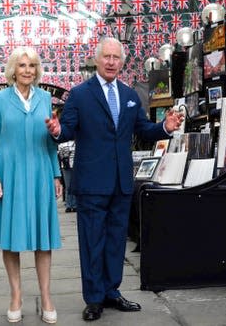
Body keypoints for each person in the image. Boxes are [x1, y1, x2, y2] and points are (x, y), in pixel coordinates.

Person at [45, 37, 184, 322]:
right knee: (92, 242)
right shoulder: (80, 94)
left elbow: (143, 129)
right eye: (106, 57)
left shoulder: (130, 94)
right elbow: (68, 130)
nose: (110, 62)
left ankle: (112, 291)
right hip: (91, 184)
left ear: (122, 62)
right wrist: (58, 130)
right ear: (97, 60)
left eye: (115, 58)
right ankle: (94, 299)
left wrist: (165, 128)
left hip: (121, 183)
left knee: (115, 241)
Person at [0, 46, 63, 324]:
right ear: (13, 70)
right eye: (22, 65)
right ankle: (16, 295)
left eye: (32, 65)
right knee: (11, 238)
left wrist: (55, 175)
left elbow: (51, 141)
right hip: (9, 173)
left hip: (40, 172)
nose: (27, 70)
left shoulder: (46, 97)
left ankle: (46, 296)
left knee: (43, 238)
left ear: (37, 70)